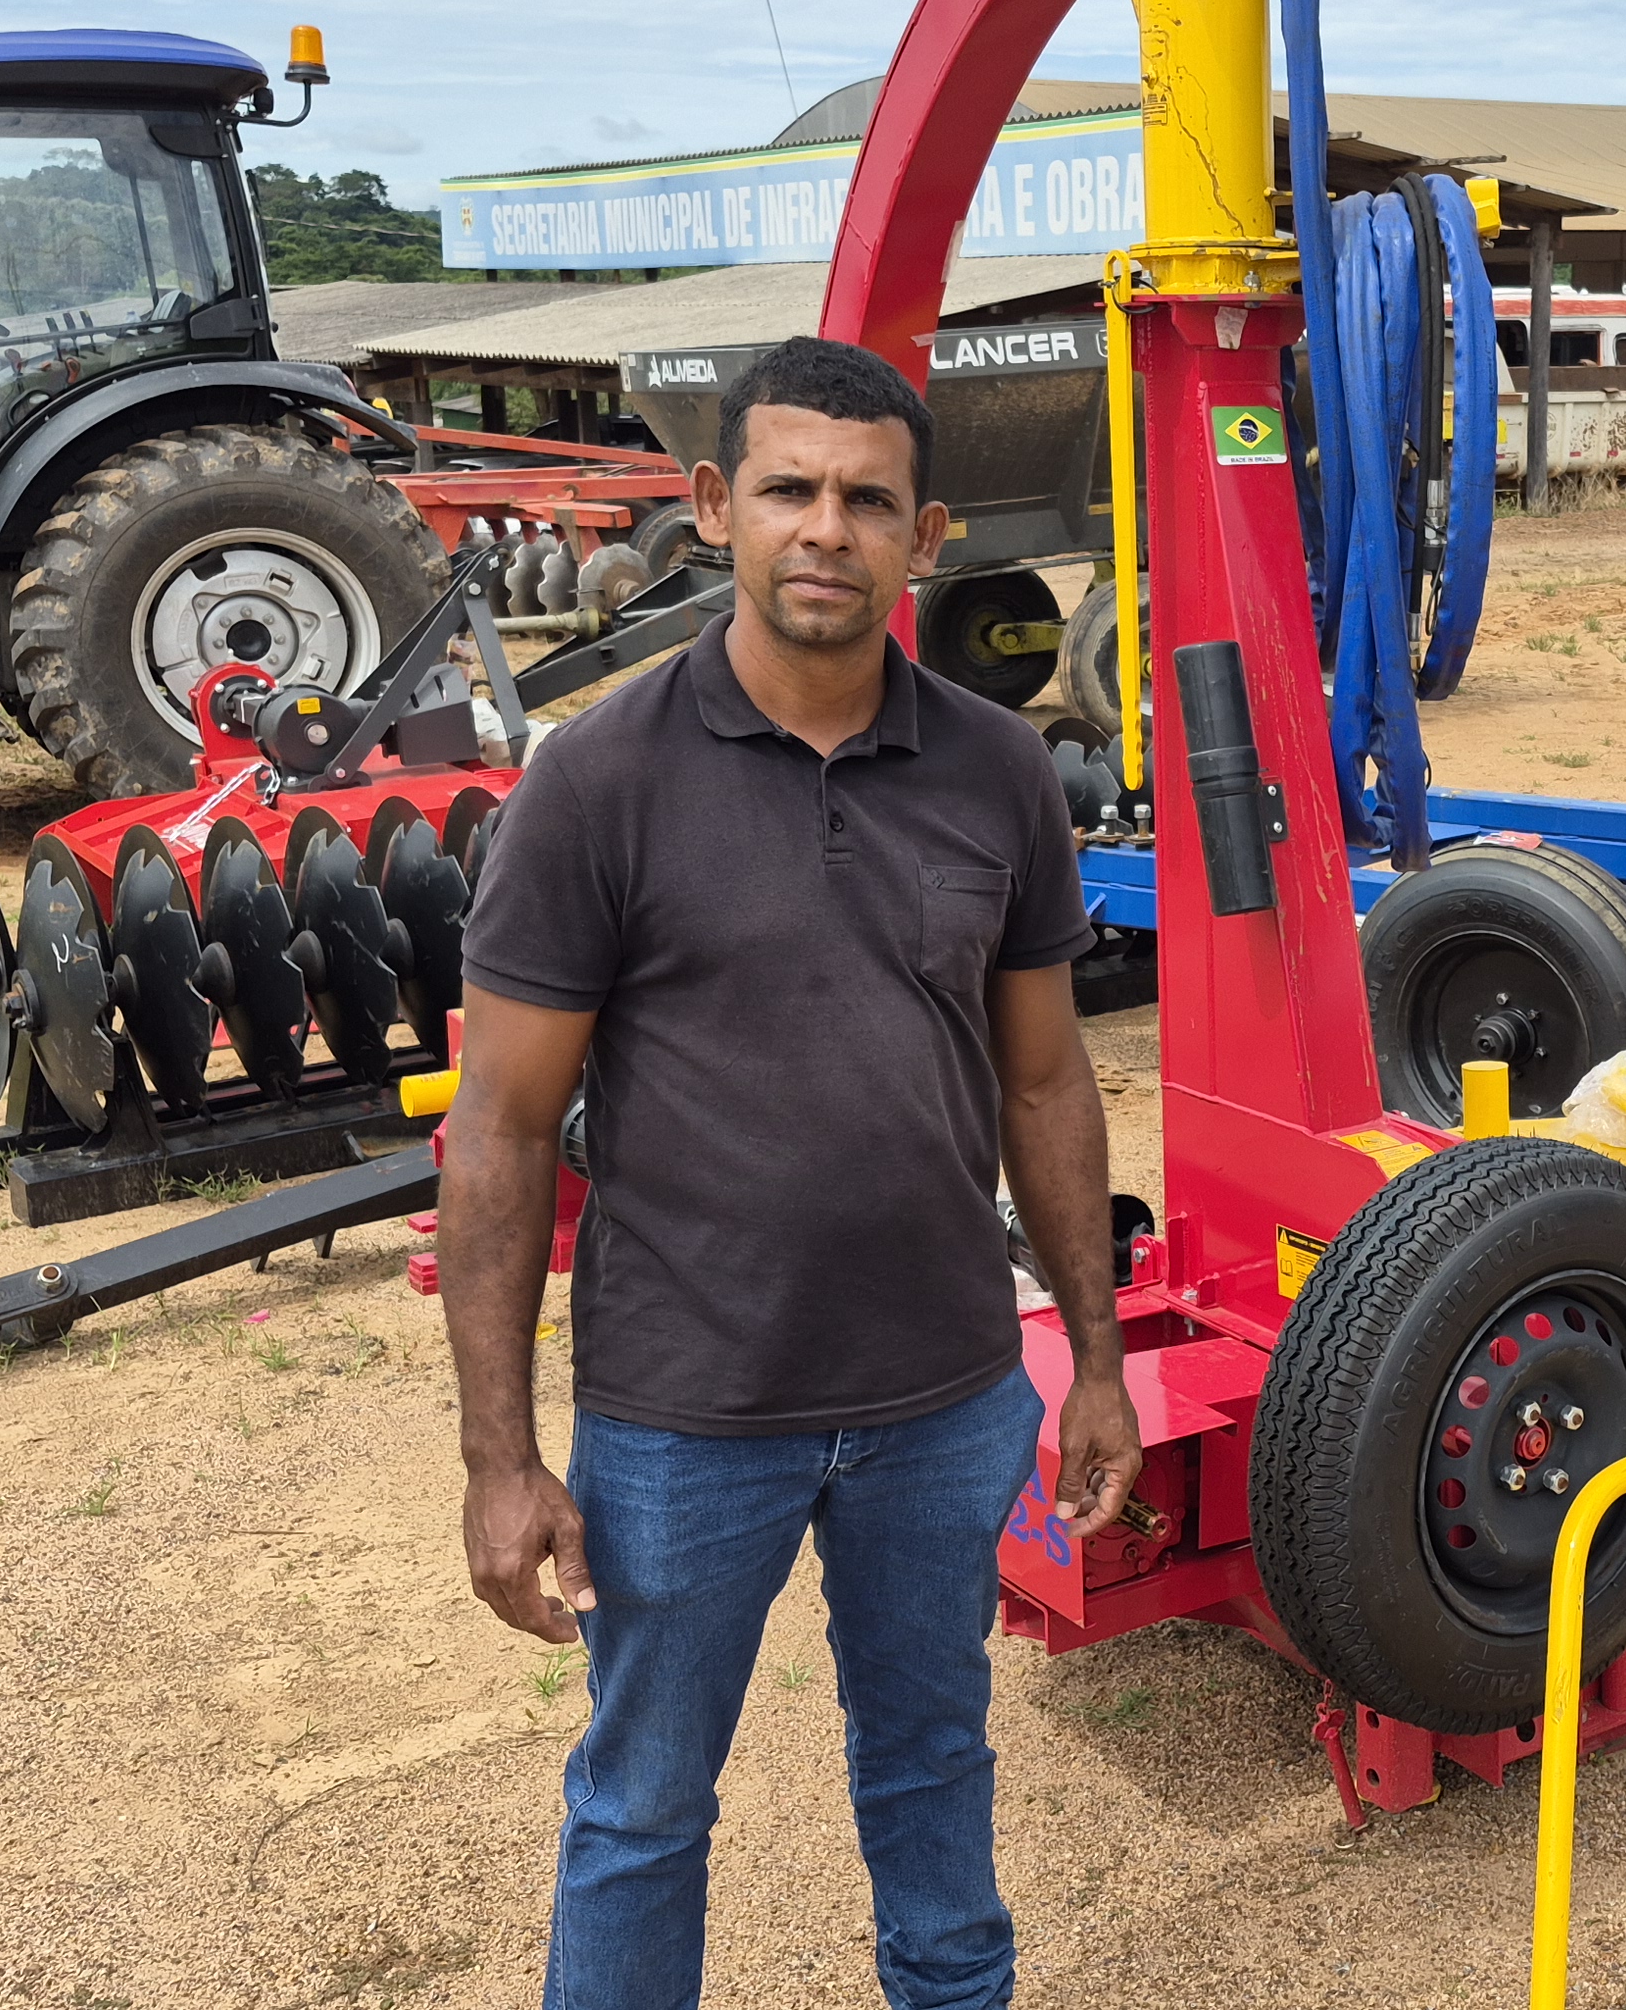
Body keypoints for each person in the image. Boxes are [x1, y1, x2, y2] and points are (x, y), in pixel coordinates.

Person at [438, 334, 1142, 2010]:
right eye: (790, 490)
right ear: (713, 508)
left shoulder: (996, 773)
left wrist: (1098, 1358)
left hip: (945, 1395)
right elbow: (501, 1133)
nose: (827, 529)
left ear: (929, 535)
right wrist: (498, 1461)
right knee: (641, 1811)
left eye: (868, 500)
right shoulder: (598, 785)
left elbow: (1046, 1081)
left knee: (933, 1773)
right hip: (686, 1417)